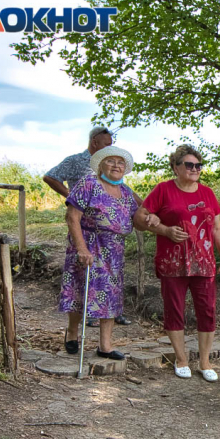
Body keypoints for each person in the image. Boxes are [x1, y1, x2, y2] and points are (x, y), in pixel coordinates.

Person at [133, 145, 220, 382]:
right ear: (175, 167)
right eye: (189, 165)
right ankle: (181, 359)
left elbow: (216, 228)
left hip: (204, 263)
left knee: (207, 311)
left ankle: (205, 362)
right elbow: (138, 220)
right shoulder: (163, 190)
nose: (195, 169)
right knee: (174, 310)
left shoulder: (207, 193)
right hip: (172, 263)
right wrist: (164, 230)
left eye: (198, 165)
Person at [44, 126, 137, 327]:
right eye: (106, 145)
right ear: (95, 142)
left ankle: (106, 321)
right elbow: (50, 176)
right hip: (86, 231)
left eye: (118, 159)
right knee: (80, 283)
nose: (111, 151)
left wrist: (150, 212)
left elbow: (130, 200)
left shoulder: (116, 176)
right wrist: (72, 196)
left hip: (111, 241)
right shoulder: (76, 162)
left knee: (110, 283)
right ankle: (75, 329)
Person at [60, 146, 140, 361]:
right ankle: (73, 332)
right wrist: (81, 248)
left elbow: (140, 216)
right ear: (101, 164)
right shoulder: (89, 184)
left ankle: (105, 346)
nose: (116, 166)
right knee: (80, 289)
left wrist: (156, 221)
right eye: (111, 161)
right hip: (88, 244)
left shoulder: (126, 192)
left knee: (110, 295)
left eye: (120, 162)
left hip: (113, 250)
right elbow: (72, 217)